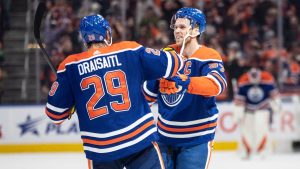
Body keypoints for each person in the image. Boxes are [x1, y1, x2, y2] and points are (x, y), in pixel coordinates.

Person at [45, 14, 183, 169]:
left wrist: (72, 104)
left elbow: (55, 115)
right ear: (107, 34)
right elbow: (174, 64)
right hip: (138, 140)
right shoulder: (129, 50)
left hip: (101, 149)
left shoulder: (69, 66)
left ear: (84, 39)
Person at [142, 7, 227, 169]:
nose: (177, 31)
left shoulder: (208, 55)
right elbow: (147, 95)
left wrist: (183, 80)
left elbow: (216, 85)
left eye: (182, 27)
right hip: (164, 138)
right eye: (176, 27)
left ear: (196, 30)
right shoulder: (166, 56)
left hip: (196, 139)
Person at [233, 65, 281, 159]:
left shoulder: (267, 81)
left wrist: (277, 106)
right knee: (246, 131)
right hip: (248, 110)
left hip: (263, 109)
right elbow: (239, 101)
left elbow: (275, 96)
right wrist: (238, 113)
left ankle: (263, 150)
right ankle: (247, 151)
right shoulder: (243, 82)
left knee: (262, 130)